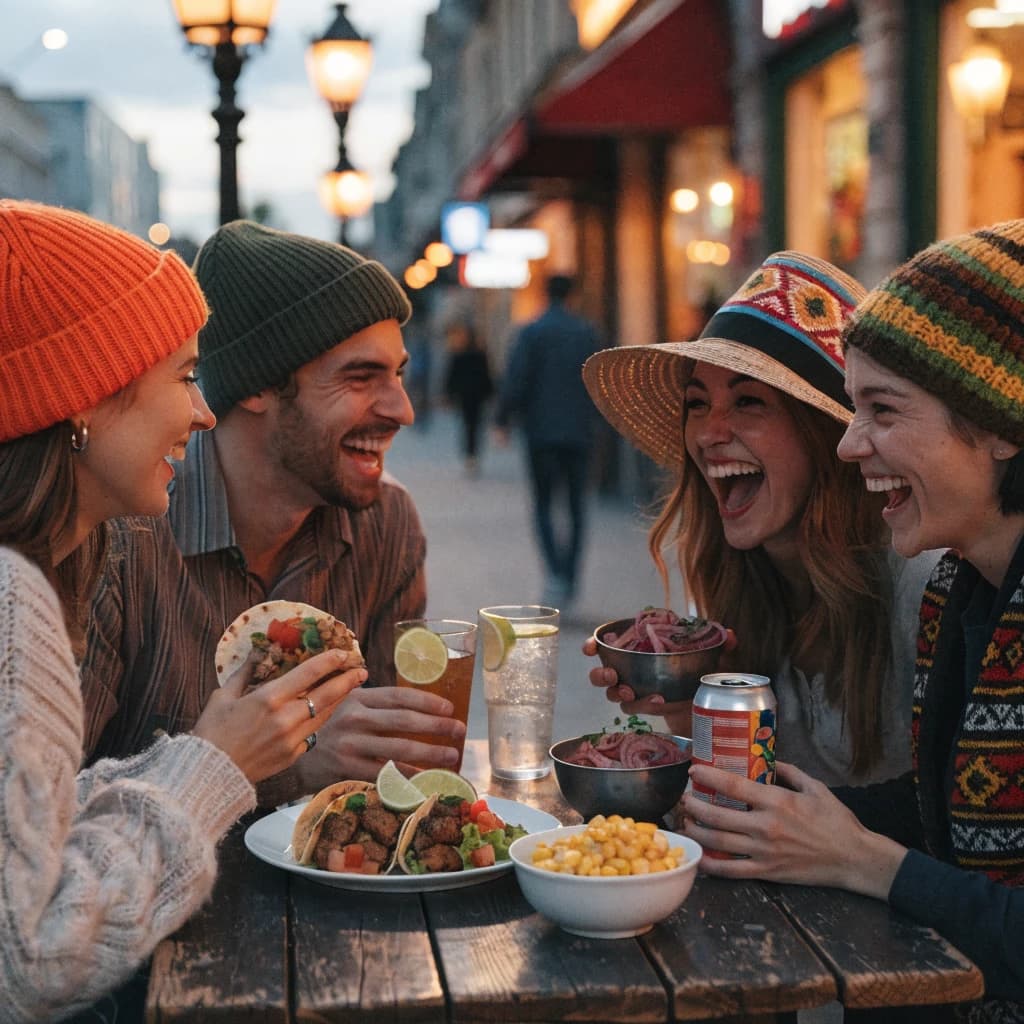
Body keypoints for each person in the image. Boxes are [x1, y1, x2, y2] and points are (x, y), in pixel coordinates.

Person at [0, 200, 366, 1019]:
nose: (203, 413)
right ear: (86, 398)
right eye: (185, 375)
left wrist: (205, 758)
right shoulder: (14, 602)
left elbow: (25, 832)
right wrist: (214, 761)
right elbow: (31, 957)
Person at [680, 222, 1024, 1019]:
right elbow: (939, 813)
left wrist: (866, 861)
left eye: (882, 410)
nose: (849, 443)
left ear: (1003, 424)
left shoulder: (920, 588)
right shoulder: (961, 590)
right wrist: (754, 814)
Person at [80, 221, 464, 804]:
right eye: (360, 378)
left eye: (398, 375)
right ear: (257, 386)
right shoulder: (116, 537)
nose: (403, 410)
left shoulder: (387, 522)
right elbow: (42, 817)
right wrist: (287, 768)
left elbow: (389, 779)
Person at [582, 252, 940, 786]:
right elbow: (747, 790)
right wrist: (685, 708)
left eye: (748, 402)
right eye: (697, 404)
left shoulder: (926, 582)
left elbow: (960, 823)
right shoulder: (729, 583)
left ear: (826, 435)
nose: (707, 433)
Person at [494, 274, 602, 609]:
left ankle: (555, 572)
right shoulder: (586, 333)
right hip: (579, 434)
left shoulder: (532, 332)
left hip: (540, 433)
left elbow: (516, 379)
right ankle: (569, 576)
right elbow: (599, 381)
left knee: (542, 504)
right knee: (576, 507)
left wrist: (502, 420)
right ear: (572, 294)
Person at [443, 320, 493, 476]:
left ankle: (469, 456)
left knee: (467, 425)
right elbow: (487, 376)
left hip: (464, 396)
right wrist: (490, 393)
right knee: (475, 425)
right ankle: (472, 455)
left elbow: (451, 376)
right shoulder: (480, 355)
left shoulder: (459, 355)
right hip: (477, 396)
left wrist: (449, 393)